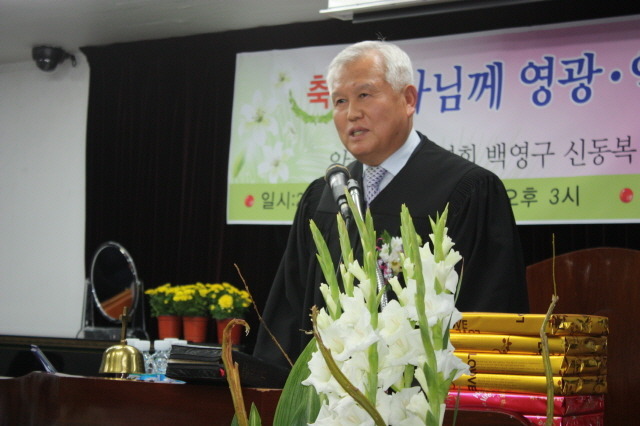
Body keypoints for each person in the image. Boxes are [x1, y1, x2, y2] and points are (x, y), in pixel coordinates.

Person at [253, 40, 529, 369]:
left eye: (364, 95)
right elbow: (289, 312)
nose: (352, 113)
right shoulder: (323, 197)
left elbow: (489, 308)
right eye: (340, 101)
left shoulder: (467, 190)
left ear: (408, 99)